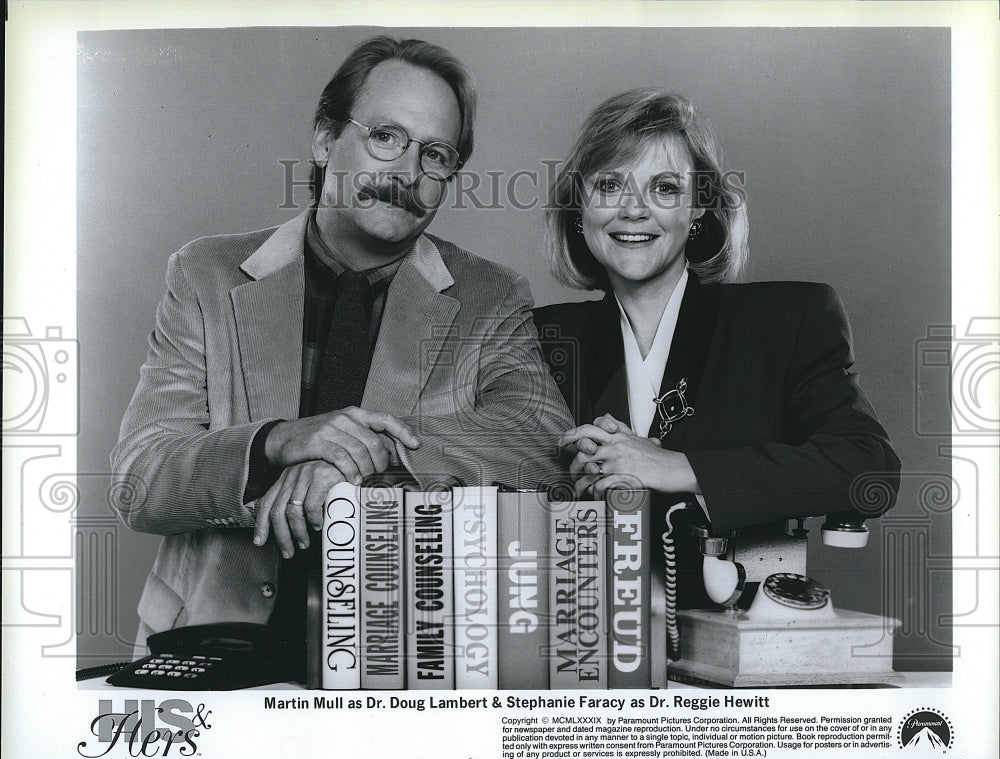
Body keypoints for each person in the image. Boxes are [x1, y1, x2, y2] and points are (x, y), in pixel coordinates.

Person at [112, 36, 573, 656]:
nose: (406, 175)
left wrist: (362, 452)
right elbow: (139, 482)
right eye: (385, 137)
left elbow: (541, 443)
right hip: (204, 646)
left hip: (401, 657)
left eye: (434, 155)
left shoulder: (490, 297)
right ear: (326, 139)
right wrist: (278, 441)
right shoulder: (206, 275)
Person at [533, 87, 901, 608]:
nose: (633, 210)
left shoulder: (787, 320)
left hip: (729, 654)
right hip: (580, 651)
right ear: (579, 207)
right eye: (610, 185)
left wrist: (680, 467)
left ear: (700, 205)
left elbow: (870, 469)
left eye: (663, 188)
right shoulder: (537, 337)